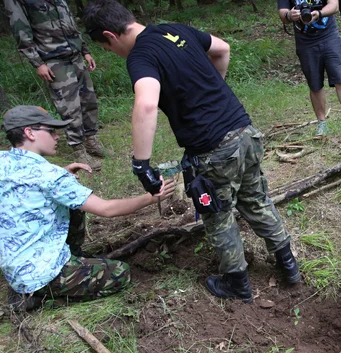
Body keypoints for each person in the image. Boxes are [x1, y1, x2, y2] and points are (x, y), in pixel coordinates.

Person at [82, 0, 301, 303]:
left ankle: (237, 283)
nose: (113, 53)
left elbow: (146, 103)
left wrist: (141, 164)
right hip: (244, 132)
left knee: (218, 214)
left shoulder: (141, 55)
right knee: (255, 198)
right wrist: (213, 88)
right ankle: (288, 265)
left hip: (214, 149)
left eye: (107, 48)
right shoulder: (175, 30)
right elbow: (222, 48)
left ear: (110, 35)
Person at [0, 105, 175, 311]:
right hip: (42, 273)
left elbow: (28, 184)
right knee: (120, 273)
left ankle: (57, 269)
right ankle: (45, 296)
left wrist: (63, 174)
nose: (58, 137)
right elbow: (106, 209)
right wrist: (150, 198)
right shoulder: (49, 175)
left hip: (14, 267)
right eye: (51, 131)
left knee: (73, 204)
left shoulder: (4, 160)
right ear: (29, 132)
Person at [5, 0, 105, 171]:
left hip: (75, 55)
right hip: (52, 59)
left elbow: (70, 23)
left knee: (89, 101)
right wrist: (37, 63)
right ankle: (79, 149)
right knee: (69, 106)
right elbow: (20, 29)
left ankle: (91, 141)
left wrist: (85, 50)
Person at [277, 0, 341, 138]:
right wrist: (290, 15)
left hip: (329, 36)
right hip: (305, 42)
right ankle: (322, 125)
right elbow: (282, 13)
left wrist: (319, 13)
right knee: (315, 84)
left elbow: (334, 6)